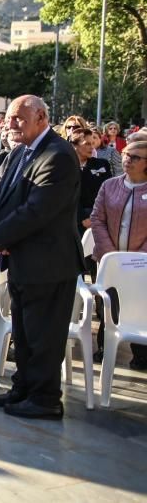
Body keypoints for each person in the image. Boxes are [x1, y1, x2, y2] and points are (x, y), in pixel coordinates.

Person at [0, 95, 82, 420]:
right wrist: (0, 234)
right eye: (9, 118)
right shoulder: (19, 153)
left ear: (41, 117)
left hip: (49, 264)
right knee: (24, 334)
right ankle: (23, 387)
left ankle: (44, 399)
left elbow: (37, 210)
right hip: (23, 260)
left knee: (44, 336)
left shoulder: (58, 154)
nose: (10, 124)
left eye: (18, 118)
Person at [90, 140, 147, 369]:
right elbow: (97, 218)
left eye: (134, 157)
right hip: (108, 258)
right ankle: (105, 348)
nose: (127, 160)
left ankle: (141, 354)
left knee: (139, 307)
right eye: (125, 155)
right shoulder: (110, 185)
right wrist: (111, 254)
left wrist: (138, 259)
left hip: (140, 263)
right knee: (108, 305)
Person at [70, 127, 112, 236]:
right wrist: (82, 218)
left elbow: (108, 192)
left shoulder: (102, 164)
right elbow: (66, 195)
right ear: (74, 145)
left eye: (92, 143)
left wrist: (97, 217)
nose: (92, 147)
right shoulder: (65, 167)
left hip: (99, 218)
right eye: (87, 144)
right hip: (73, 221)